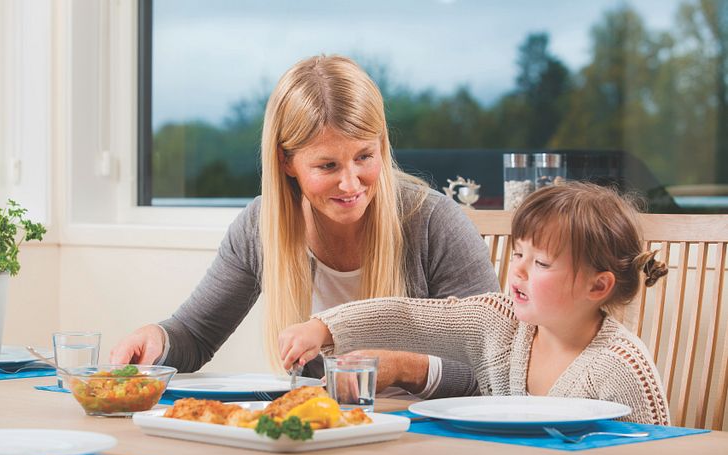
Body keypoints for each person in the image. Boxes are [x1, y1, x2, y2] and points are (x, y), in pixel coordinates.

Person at [110, 54, 500, 399]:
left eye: (365, 156)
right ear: (286, 162)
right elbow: (194, 336)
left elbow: (494, 364)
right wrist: (156, 340)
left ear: (382, 144)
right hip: (324, 431)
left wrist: (402, 368)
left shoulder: (434, 224)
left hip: (428, 441)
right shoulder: (259, 228)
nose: (350, 184)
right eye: (327, 165)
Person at [278, 182, 672, 425]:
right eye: (518, 254)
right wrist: (324, 327)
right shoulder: (495, 321)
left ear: (597, 286)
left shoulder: (621, 366)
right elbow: (410, 318)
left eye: (541, 263)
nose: (518, 271)